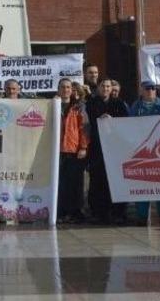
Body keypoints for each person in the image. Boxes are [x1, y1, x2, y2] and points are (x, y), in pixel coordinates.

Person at [129, 81, 160, 227]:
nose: (151, 91)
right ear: (141, 91)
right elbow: (127, 126)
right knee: (142, 185)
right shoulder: (135, 107)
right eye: (147, 88)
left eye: (153, 88)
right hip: (142, 152)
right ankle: (141, 216)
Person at [86, 79, 128, 225]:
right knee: (97, 181)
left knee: (116, 179)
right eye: (102, 86)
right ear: (98, 88)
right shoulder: (90, 104)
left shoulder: (119, 104)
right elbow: (86, 123)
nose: (105, 88)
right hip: (97, 149)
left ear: (112, 89)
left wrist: (113, 120)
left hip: (115, 149)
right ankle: (98, 213)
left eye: (108, 86)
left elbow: (126, 124)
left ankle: (118, 212)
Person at [56, 78, 88, 224]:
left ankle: (75, 212)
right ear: (58, 89)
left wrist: (83, 147)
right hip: (57, 151)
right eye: (63, 87)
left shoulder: (78, 107)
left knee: (75, 183)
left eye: (68, 87)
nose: (65, 90)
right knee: (60, 183)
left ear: (71, 89)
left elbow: (85, 128)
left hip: (74, 149)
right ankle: (61, 212)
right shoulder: (53, 106)